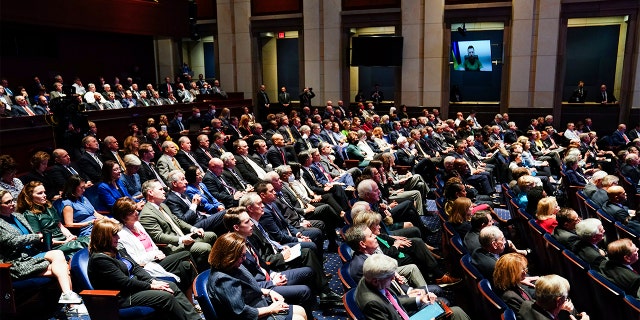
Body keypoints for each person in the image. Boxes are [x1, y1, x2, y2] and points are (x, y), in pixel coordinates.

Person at [87, 219, 200, 320]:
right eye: (115, 235)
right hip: (121, 297)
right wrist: (151, 286)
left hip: (133, 287)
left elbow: (135, 267)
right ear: (104, 237)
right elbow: (124, 282)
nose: (119, 237)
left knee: (170, 285)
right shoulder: (100, 259)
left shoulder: (117, 248)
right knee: (165, 296)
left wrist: (152, 280)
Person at [0, 189, 87, 310]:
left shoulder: (18, 216)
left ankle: (68, 298)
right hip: (15, 262)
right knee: (64, 269)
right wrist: (37, 236)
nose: (12, 204)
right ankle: (71, 304)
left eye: (13, 200)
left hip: (32, 255)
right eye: (7, 202)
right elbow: (11, 241)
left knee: (58, 254)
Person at [111, 197, 198, 302]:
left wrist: (157, 252)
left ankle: (190, 301)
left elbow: (152, 244)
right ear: (123, 216)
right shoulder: (122, 235)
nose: (136, 213)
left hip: (158, 259)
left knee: (186, 266)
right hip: (147, 266)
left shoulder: (138, 224)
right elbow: (135, 260)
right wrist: (153, 255)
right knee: (185, 254)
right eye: (132, 212)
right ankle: (200, 292)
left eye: (135, 210)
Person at [206, 232, 307, 320]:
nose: (244, 259)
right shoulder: (223, 280)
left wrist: (268, 291)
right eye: (242, 256)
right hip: (250, 316)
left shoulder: (233, 266)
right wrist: (271, 309)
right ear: (229, 257)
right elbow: (242, 313)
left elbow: (248, 285)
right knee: (298, 318)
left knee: (301, 310)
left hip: (259, 303)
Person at [355, 254, 470, 320]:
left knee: (452, 310)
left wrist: (420, 299)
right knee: (457, 313)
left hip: (405, 315)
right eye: (390, 276)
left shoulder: (370, 278)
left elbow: (391, 300)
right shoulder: (371, 303)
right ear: (376, 281)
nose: (393, 279)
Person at [138, 179, 216, 271]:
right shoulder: (146, 214)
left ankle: (217, 264)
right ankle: (205, 272)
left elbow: (178, 221)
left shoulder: (163, 205)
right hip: (173, 246)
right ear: (150, 192)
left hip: (184, 236)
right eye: (160, 189)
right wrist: (181, 239)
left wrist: (193, 229)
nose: (164, 191)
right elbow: (158, 236)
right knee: (205, 247)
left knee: (211, 235)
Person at [18, 181, 89, 257]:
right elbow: (41, 239)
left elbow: (60, 226)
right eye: (40, 193)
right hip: (54, 246)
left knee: (93, 239)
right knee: (88, 243)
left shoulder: (48, 207)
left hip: (65, 241)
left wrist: (70, 236)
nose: (44, 195)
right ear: (30, 196)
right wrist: (64, 242)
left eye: (44, 192)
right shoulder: (30, 214)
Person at [518, 274, 589, 320]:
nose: (566, 299)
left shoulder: (526, 304)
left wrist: (557, 308)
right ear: (559, 300)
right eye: (566, 297)